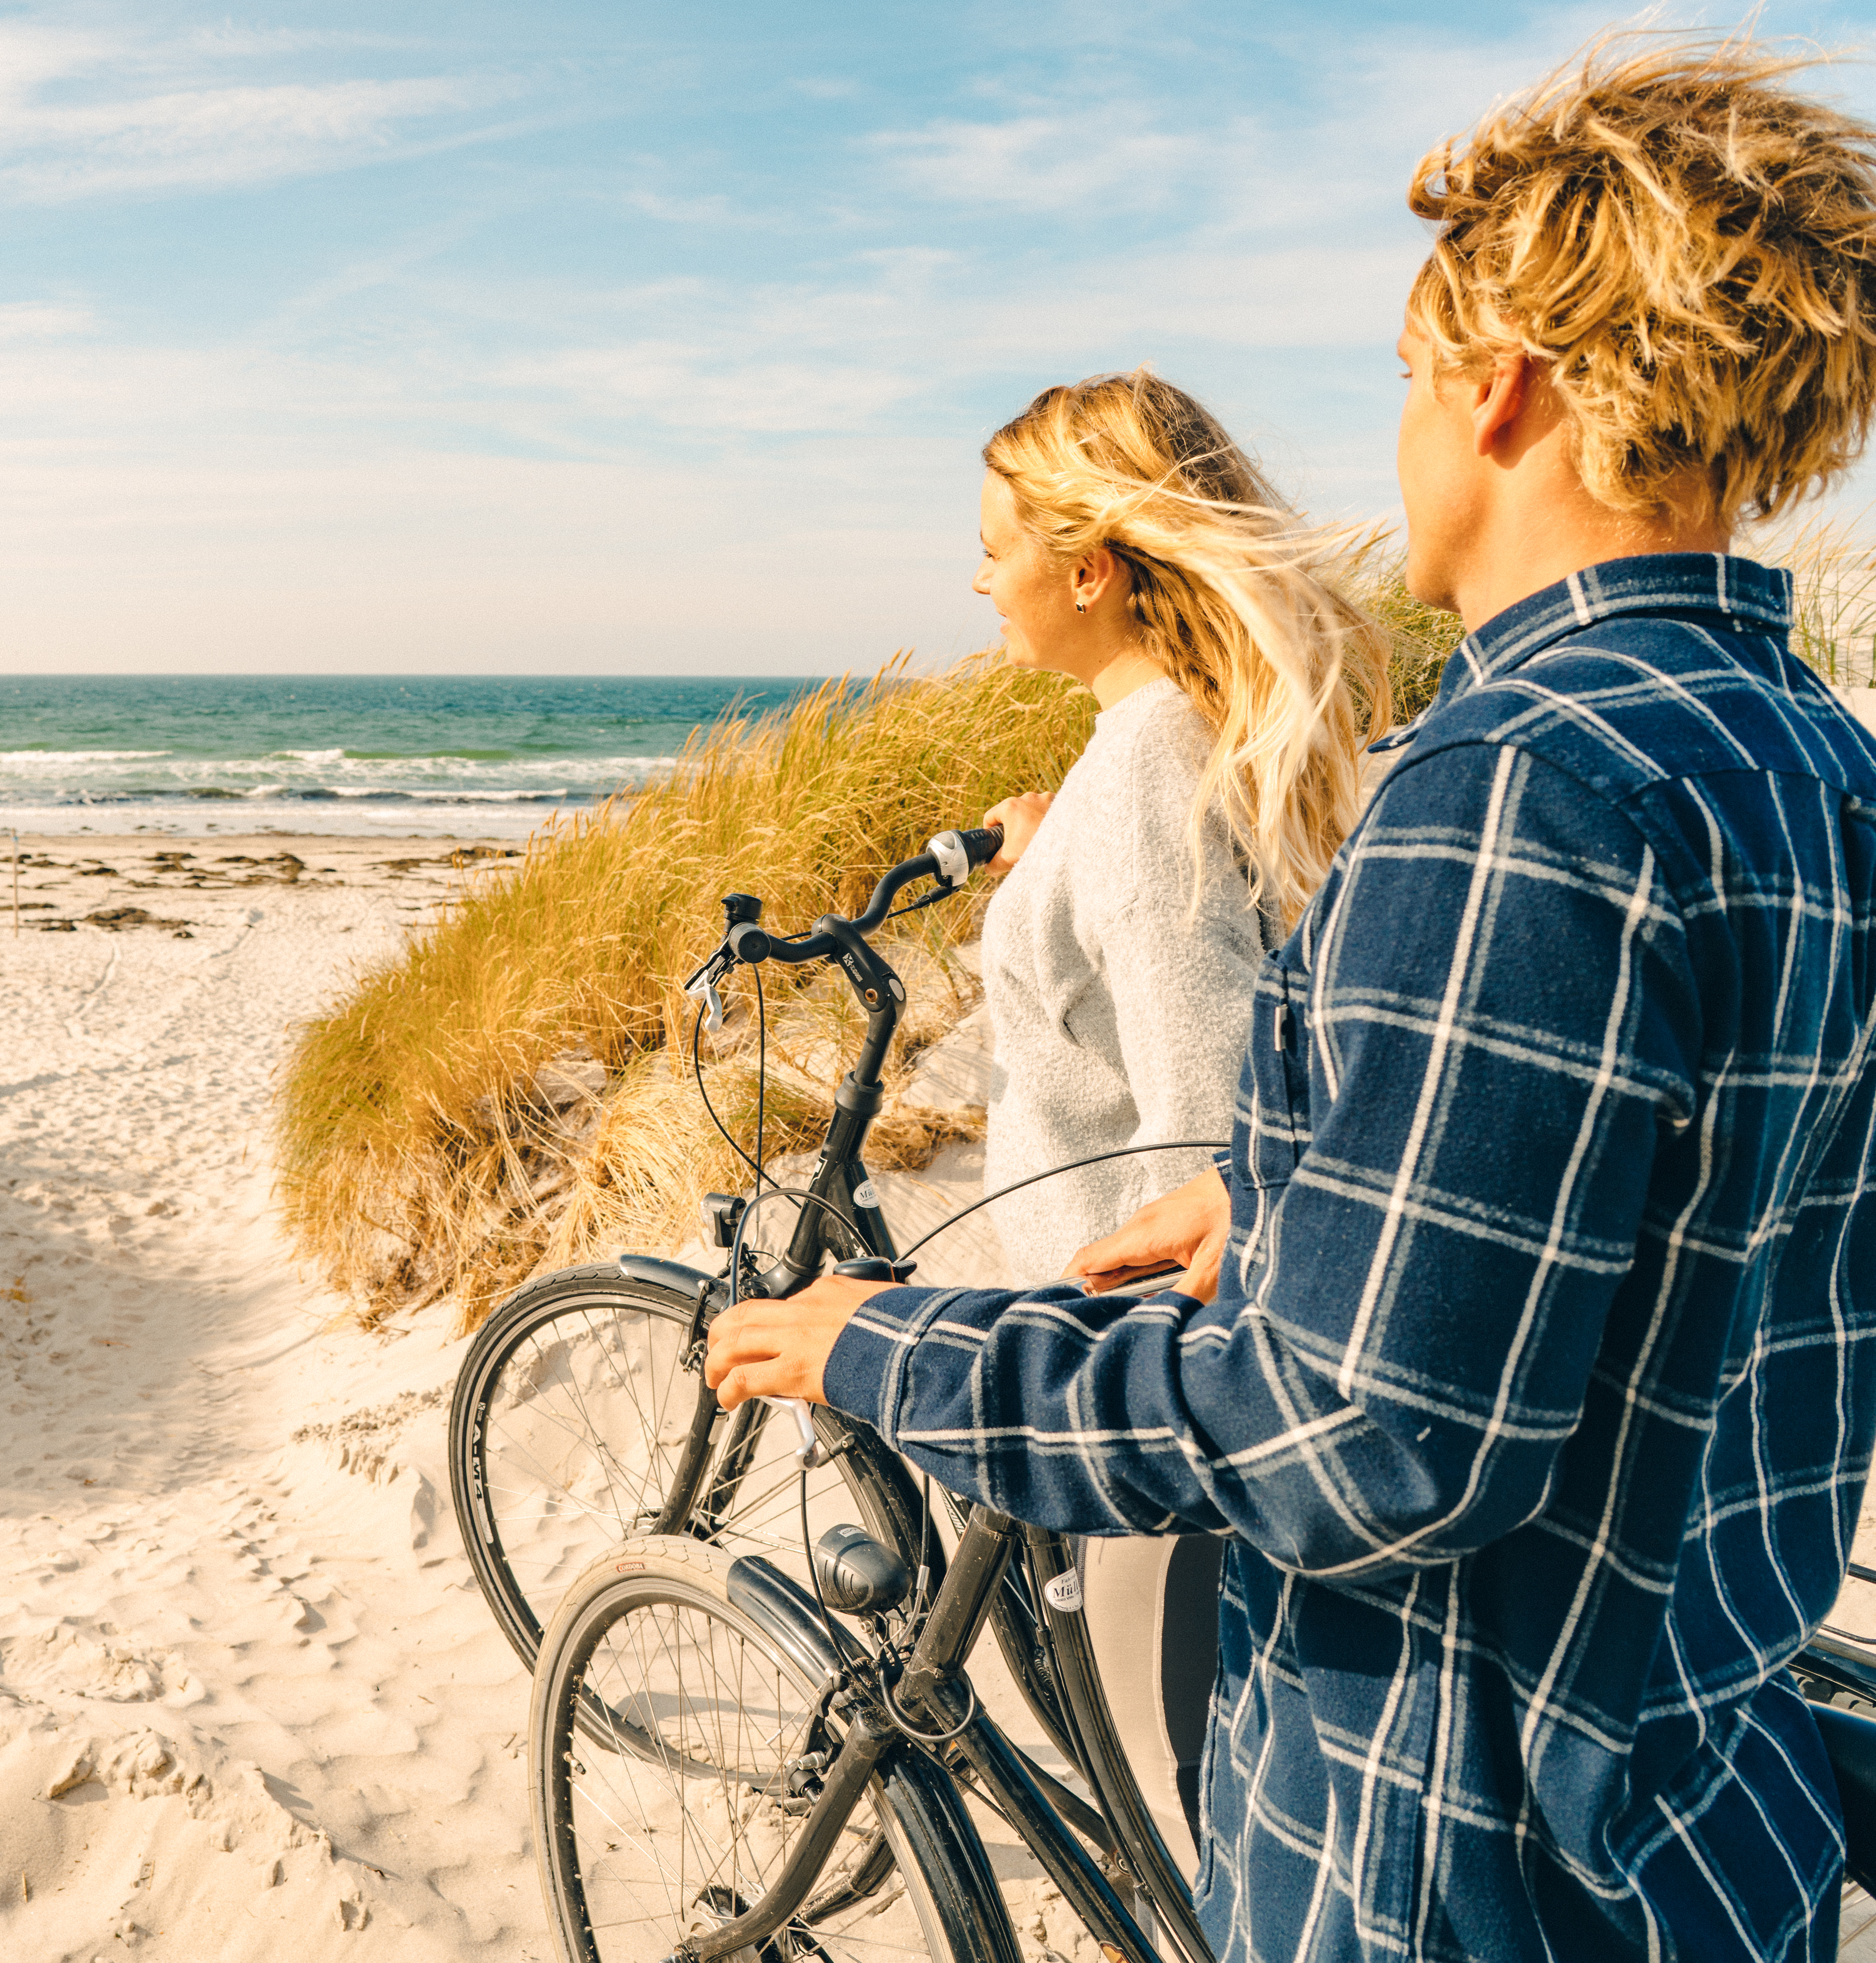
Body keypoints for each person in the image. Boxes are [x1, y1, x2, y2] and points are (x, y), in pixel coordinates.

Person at [709, 38, 1876, 1963]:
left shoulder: (1518, 786)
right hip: (1692, 1787)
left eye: (1405, 389)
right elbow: (1717, 1196)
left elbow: (1361, 1442)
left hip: (1454, 1844)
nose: (1395, 447)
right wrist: (1299, 1200)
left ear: (1494, 390)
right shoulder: (1808, 758)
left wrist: (884, 1351)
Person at [961, 369, 1386, 1854]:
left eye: (998, 543)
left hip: (1123, 1358)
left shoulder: (1147, 761)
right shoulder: (1144, 740)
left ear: (1090, 567)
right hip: (1106, 1339)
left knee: (1174, 1822)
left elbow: (1201, 1124)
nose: (979, 576)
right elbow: (1159, 918)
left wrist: (1150, 1391)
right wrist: (1045, 856)